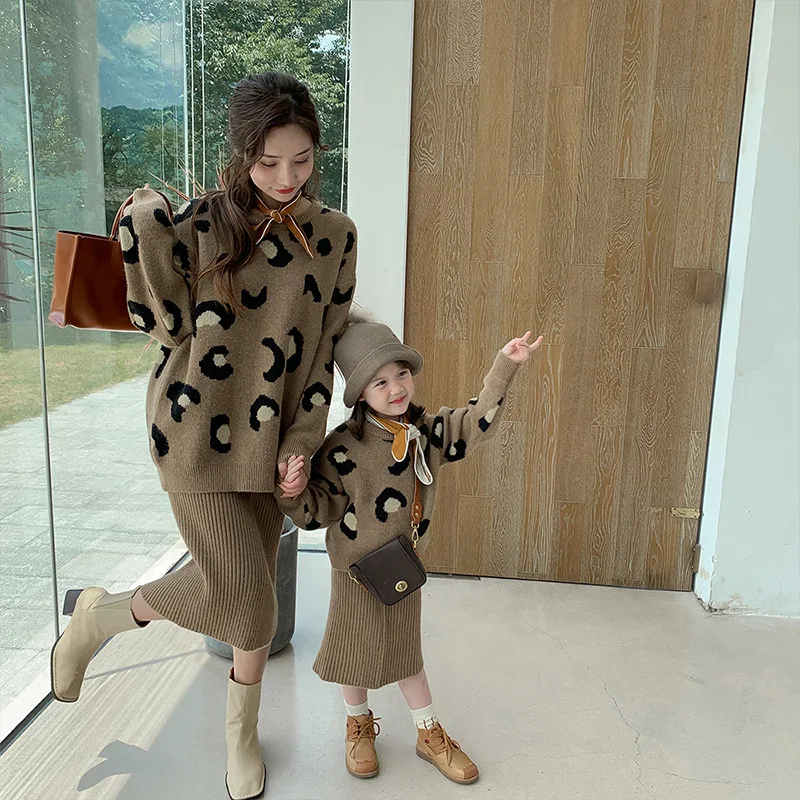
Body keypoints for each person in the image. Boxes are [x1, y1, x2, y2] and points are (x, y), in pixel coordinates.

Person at [50, 71, 357, 800]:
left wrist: (302, 444)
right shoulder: (199, 224)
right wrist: (144, 222)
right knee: (250, 602)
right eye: (268, 162)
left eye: (301, 160)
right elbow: (160, 325)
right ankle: (233, 729)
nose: (286, 178)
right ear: (240, 154)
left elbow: (321, 355)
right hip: (194, 433)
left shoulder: (335, 236)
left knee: (253, 600)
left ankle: (104, 617)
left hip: (273, 447)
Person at [277, 314, 542, 785]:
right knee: (353, 653)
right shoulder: (341, 448)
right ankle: (358, 725)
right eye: (379, 381)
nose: (396, 387)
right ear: (360, 393)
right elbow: (316, 512)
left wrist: (505, 366)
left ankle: (428, 733)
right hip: (353, 570)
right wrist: (293, 492)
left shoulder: (428, 432)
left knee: (406, 656)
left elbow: (476, 423)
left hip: (401, 567)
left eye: (401, 373)